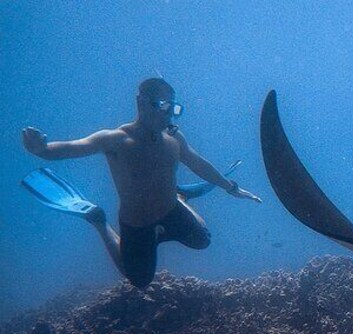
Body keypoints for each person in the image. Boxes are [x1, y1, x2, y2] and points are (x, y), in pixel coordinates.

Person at [21, 77, 261, 288]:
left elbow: (198, 164)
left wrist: (232, 188)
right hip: (138, 223)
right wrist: (42, 149)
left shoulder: (174, 137)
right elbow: (73, 148)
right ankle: (98, 221)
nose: (168, 114)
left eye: (174, 108)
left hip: (170, 211)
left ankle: (179, 198)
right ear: (141, 103)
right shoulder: (116, 139)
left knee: (203, 240)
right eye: (163, 106)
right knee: (139, 280)